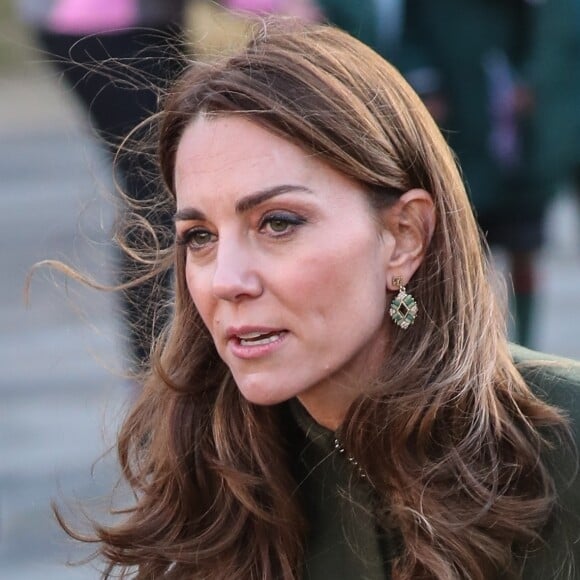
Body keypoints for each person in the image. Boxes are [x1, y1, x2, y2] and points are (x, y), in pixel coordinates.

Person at [59, 19, 580, 579]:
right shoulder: (210, 483)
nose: (225, 280)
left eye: (278, 223)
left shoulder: (562, 443)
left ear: (404, 236)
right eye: (200, 237)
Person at [17, 0, 187, 373]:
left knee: (172, 176)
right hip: (97, 20)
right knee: (158, 183)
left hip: (145, 19)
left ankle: (164, 371)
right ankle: (152, 380)